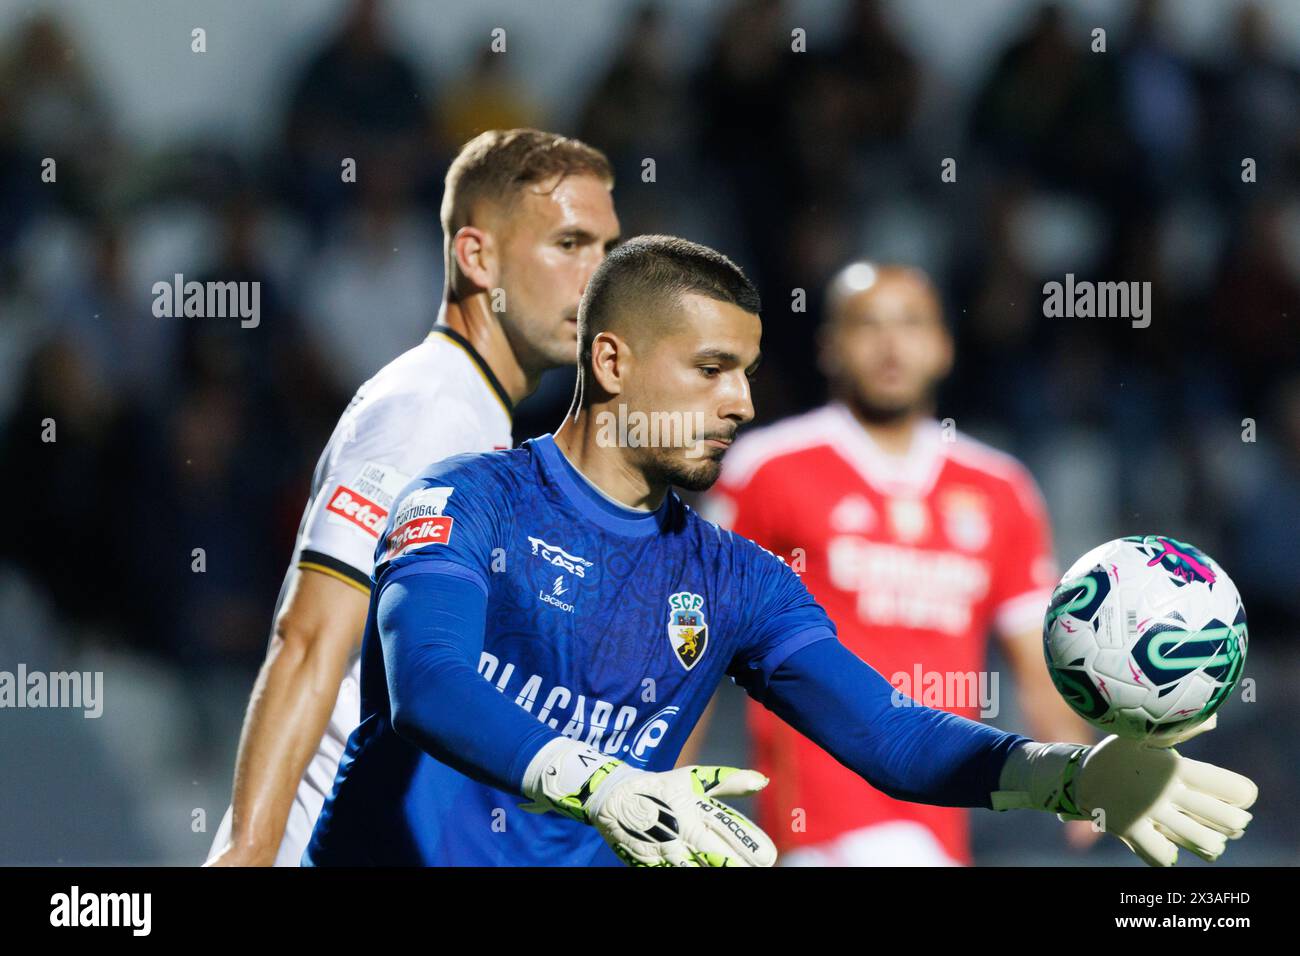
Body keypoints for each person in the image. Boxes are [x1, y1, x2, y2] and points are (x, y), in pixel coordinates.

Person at [304, 236, 1255, 867]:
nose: (743, 404)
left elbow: (893, 734)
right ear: (611, 363)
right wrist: (595, 781)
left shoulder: (737, 581)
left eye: (749, 375)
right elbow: (428, 682)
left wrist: (1071, 776)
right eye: (712, 370)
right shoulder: (465, 500)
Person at [205, 129, 621, 866]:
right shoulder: (428, 410)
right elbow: (307, 644)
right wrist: (247, 853)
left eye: (606, 248)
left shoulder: (482, 423)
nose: (598, 277)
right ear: (476, 256)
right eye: (569, 244)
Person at [698, 261, 1096, 865]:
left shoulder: (1001, 488)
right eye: (868, 325)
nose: (891, 345)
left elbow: (1038, 655)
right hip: (817, 829)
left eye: (910, 324)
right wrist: (659, 774)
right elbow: (694, 634)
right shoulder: (766, 469)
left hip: (941, 824)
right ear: (830, 346)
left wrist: (1080, 772)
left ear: (942, 347)